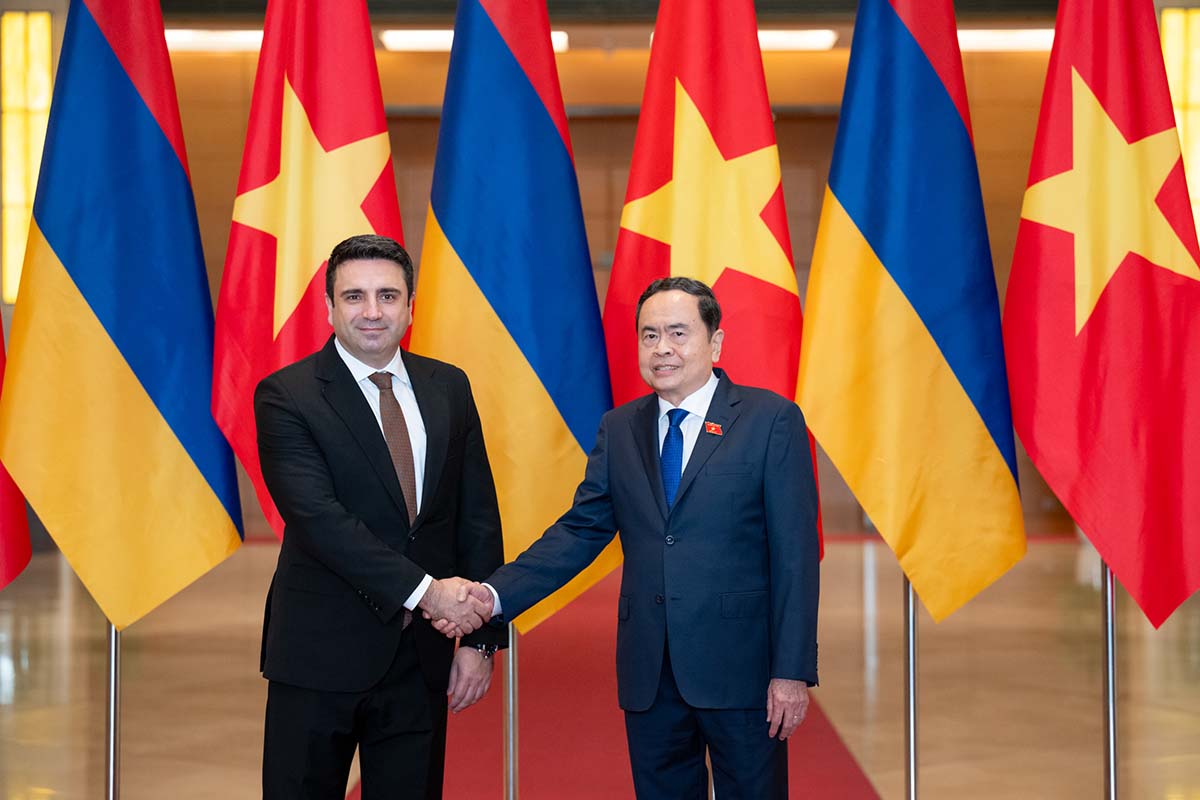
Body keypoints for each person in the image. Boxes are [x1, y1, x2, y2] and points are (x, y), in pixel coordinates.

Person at [436, 276, 820, 799]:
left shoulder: (770, 420)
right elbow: (579, 531)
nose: (662, 348)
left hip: (743, 672)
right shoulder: (620, 429)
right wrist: (492, 596)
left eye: (679, 333)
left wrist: (791, 671)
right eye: (649, 335)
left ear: (716, 342)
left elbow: (796, 557)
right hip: (649, 675)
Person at [255, 234, 504, 800]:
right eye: (355, 296)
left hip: (422, 661)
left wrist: (480, 640)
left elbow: (477, 516)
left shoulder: (449, 386)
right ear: (329, 306)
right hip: (319, 655)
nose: (372, 311)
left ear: (411, 306)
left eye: (388, 296)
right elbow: (320, 521)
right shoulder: (287, 395)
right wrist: (430, 594)